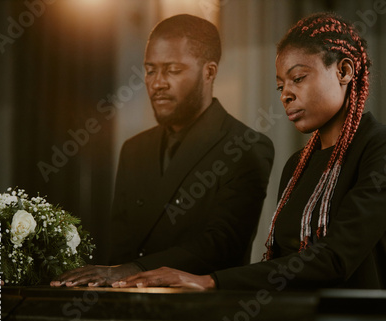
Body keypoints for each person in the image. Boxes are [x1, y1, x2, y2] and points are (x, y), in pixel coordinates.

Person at [112, 12, 386, 291]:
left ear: (344, 71)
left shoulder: (384, 147)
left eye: (298, 78)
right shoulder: (297, 165)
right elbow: (278, 266)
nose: (286, 95)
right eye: (280, 85)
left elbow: (335, 259)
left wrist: (211, 281)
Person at [50, 14, 274, 287]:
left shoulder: (247, 145)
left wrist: (128, 270)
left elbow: (222, 244)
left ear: (210, 72)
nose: (157, 83)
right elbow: (119, 247)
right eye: (150, 69)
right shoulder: (134, 149)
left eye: (173, 70)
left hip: (202, 314)